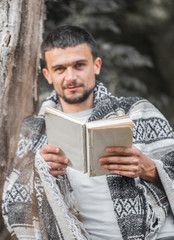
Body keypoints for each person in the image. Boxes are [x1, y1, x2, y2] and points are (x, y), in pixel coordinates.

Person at [2, 26, 174, 240]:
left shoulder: (137, 111)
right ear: (47, 75)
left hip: (157, 234)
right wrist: (38, 171)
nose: (70, 77)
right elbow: (12, 205)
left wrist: (151, 169)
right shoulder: (35, 130)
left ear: (96, 65)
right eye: (60, 69)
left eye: (79, 65)